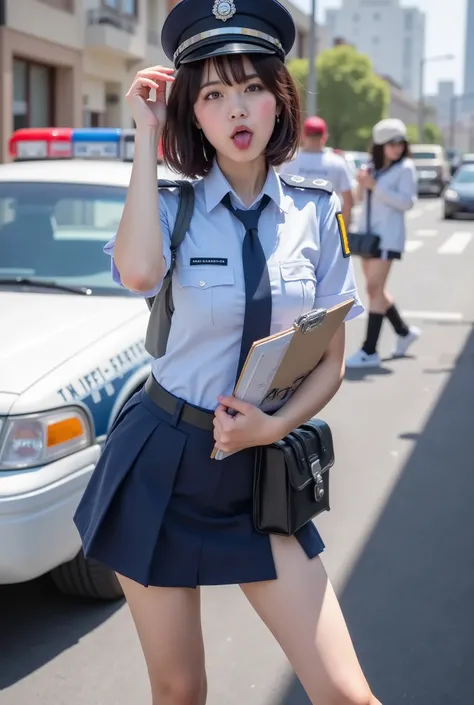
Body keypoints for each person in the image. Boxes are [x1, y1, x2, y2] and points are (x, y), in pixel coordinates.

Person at [73, 2, 382, 704]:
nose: (235, 108)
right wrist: (146, 138)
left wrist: (273, 427)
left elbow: (332, 358)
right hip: (161, 459)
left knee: (346, 694)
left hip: (260, 470)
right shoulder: (172, 207)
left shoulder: (317, 209)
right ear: (196, 114)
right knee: (180, 692)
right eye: (212, 93)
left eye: (250, 87)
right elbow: (142, 273)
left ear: (279, 100)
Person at [345, 118, 420, 369]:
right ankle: (404, 332)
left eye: (401, 143)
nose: (398, 148)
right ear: (380, 145)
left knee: (374, 288)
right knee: (375, 289)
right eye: (392, 144)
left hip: (388, 237)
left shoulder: (406, 168)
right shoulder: (371, 167)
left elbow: (406, 202)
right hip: (368, 239)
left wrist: (375, 186)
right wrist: (361, 184)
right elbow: (358, 199)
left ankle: (369, 350)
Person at [280, 115, 355, 228]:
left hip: (297, 225)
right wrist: (341, 231)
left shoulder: (290, 161)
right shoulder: (337, 162)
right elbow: (348, 201)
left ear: (303, 136)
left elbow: (280, 195)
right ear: (324, 136)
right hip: (329, 225)